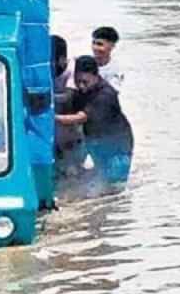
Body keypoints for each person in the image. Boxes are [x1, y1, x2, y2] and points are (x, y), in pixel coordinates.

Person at [56, 56, 134, 183]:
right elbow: (66, 99)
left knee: (115, 185)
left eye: (85, 82)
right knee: (100, 174)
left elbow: (79, 118)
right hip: (95, 140)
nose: (81, 86)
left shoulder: (106, 95)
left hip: (118, 144)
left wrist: (51, 117)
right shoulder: (82, 91)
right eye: (78, 81)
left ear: (96, 76)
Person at [52, 35, 84, 177]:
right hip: (56, 118)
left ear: (62, 59)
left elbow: (68, 97)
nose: (48, 65)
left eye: (51, 61)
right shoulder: (44, 68)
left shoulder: (74, 69)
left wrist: (46, 97)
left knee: (72, 169)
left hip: (74, 118)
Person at [90, 26, 124, 91]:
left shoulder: (117, 70)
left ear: (112, 46)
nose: (95, 47)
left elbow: (113, 92)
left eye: (99, 44)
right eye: (93, 43)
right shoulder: (83, 62)